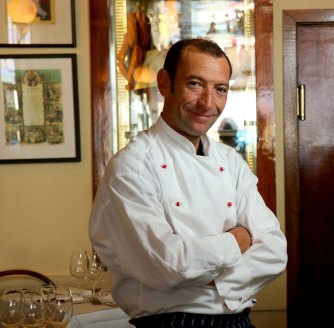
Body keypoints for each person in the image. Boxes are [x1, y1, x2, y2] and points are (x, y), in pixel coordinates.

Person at [89, 38, 287, 328]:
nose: (208, 103)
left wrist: (203, 275)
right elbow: (169, 266)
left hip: (239, 323)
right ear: (164, 83)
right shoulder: (132, 167)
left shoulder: (230, 161)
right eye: (195, 84)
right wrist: (237, 239)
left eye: (220, 89)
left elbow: (275, 252)